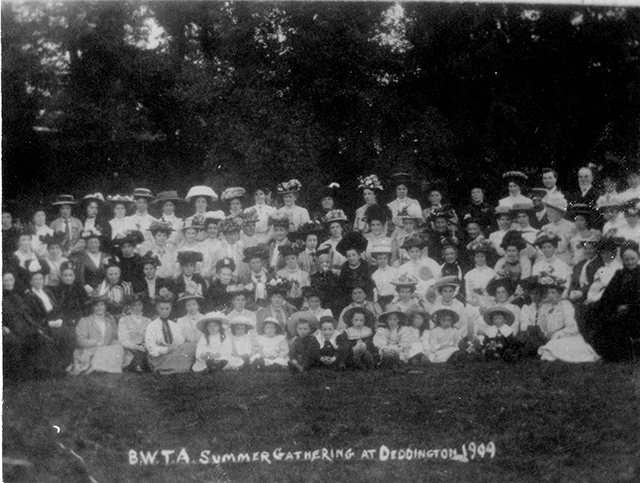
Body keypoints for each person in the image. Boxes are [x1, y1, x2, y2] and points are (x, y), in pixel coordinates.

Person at [520, 275, 599, 362]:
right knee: (542, 346)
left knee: (553, 348)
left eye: (553, 292)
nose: (550, 295)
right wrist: (544, 333)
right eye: (548, 292)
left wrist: (557, 334)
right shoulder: (545, 307)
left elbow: (572, 327)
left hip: (567, 336)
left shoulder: (564, 305)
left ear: (559, 294)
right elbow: (542, 325)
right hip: (549, 337)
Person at [588, 241, 640, 362]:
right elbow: (609, 294)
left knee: (618, 321)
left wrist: (628, 307)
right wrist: (609, 307)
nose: (630, 262)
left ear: (637, 257)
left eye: (633, 259)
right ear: (622, 260)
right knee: (600, 314)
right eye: (627, 259)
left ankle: (622, 356)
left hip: (636, 310)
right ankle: (605, 354)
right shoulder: (619, 274)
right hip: (619, 309)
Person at [3, 270, 50, 381]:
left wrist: (36, 327)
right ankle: (17, 375)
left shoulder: (16, 296)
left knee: (38, 336)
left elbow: (26, 314)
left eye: (11, 280)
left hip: (21, 326)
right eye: (5, 280)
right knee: (14, 341)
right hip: (9, 329)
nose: (9, 283)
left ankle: (38, 371)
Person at [69, 296, 125, 375]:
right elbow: (80, 341)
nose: (99, 308)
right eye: (97, 306)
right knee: (102, 351)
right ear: (92, 308)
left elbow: (115, 337)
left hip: (106, 350)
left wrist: (113, 323)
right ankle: (98, 367)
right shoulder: (85, 321)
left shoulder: (108, 321)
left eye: (102, 305)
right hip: (90, 350)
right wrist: (96, 342)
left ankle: (104, 367)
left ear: (105, 307)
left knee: (117, 345)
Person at [145, 295, 196, 374]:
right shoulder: (152, 326)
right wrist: (166, 349)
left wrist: (174, 347)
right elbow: (151, 348)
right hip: (159, 356)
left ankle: (171, 368)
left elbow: (180, 341)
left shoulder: (174, 325)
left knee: (192, 346)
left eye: (167, 309)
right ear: (157, 309)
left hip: (173, 353)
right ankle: (165, 368)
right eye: (162, 309)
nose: (165, 311)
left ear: (171, 309)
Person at [117, 294, 151, 372]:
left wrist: (144, 345)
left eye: (139, 305)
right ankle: (137, 365)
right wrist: (134, 346)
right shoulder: (123, 320)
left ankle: (138, 365)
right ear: (130, 307)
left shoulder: (148, 321)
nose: (137, 308)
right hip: (129, 348)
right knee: (134, 354)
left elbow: (149, 337)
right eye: (134, 305)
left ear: (142, 306)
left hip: (144, 348)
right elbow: (123, 339)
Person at [276, 242, 310, 307]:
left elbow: (307, 294)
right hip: (285, 304)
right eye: (287, 259)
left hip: (301, 303)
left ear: (297, 259)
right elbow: (278, 293)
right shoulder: (280, 274)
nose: (290, 261)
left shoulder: (304, 274)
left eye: (292, 258)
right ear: (284, 260)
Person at [239, 244, 272, 309]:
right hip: (252, 307)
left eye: (258, 262)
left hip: (268, 306)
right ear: (249, 265)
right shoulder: (245, 278)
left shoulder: (269, 276)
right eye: (253, 263)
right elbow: (245, 298)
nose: (256, 265)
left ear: (262, 263)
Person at [370, 240, 400, 310]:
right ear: (376, 260)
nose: (382, 261)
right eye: (380, 259)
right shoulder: (374, 274)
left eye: (384, 258)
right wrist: (375, 303)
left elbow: (397, 289)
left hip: (393, 300)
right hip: (380, 301)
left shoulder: (395, 271)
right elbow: (375, 291)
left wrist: (393, 302)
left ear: (388, 259)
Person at [199, 211, 226, 278]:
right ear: (206, 230)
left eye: (215, 228)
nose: (212, 231)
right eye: (210, 228)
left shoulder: (222, 244)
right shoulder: (201, 245)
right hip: (205, 275)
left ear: (218, 230)